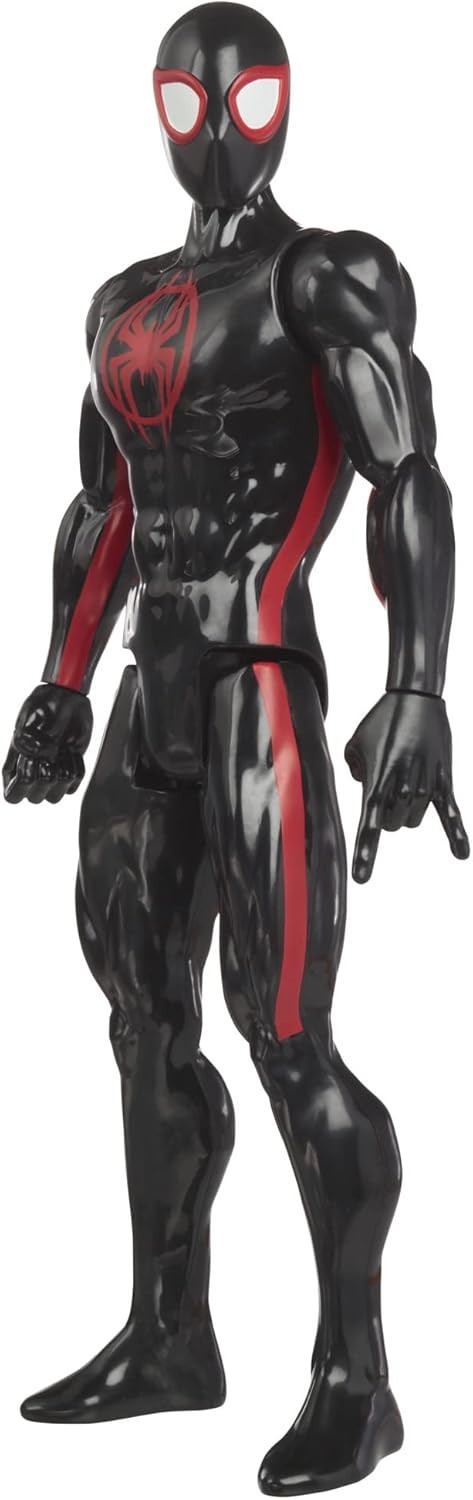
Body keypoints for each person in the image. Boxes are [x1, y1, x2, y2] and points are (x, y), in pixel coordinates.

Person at [3, 4, 468, 1492]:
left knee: (287, 1036)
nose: (217, 125)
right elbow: (106, 508)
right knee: (142, 1025)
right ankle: (169, 1334)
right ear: (158, 109)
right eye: (194, 99)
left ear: (282, 104)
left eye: (249, 96)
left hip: (260, 679)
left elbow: (407, 475)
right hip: (151, 697)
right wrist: (60, 680)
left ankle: (357, 1378)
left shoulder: (326, 274)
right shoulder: (124, 300)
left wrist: (417, 685)